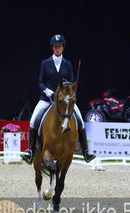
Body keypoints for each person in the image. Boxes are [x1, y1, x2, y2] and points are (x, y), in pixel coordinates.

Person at [22, 34, 95, 164]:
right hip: (46, 99)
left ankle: (86, 152)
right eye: (55, 46)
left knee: (81, 122)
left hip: (64, 100)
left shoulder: (68, 64)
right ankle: (30, 151)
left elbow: (72, 83)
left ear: (63, 48)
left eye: (59, 46)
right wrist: (47, 90)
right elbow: (40, 82)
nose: (57, 49)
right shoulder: (45, 63)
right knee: (33, 121)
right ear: (52, 48)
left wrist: (68, 90)